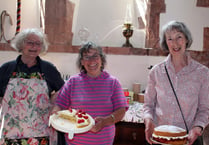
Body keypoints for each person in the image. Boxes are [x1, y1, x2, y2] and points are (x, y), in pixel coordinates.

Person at [143, 20, 209, 145]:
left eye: (179, 37)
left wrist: (198, 128)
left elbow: (205, 109)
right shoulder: (156, 72)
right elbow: (148, 105)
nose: (175, 43)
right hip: (159, 138)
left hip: (188, 139)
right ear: (165, 43)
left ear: (186, 39)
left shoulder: (203, 73)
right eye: (170, 39)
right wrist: (148, 121)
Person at [51, 41, 128, 145]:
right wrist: (55, 114)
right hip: (74, 142)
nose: (91, 61)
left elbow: (121, 111)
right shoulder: (73, 82)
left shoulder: (113, 82)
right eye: (86, 57)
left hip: (103, 141)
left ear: (101, 59)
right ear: (82, 62)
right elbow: (60, 105)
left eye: (95, 56)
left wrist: (104, 122)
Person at [0, 28, 65, 145]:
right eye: (29, 42)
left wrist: (52, 102)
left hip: (41, 132)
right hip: (11, 132)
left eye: (38, 43)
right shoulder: (6, 68)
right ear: (21, 44)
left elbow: (64, 90)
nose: (34, 46)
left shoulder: (48, 69)